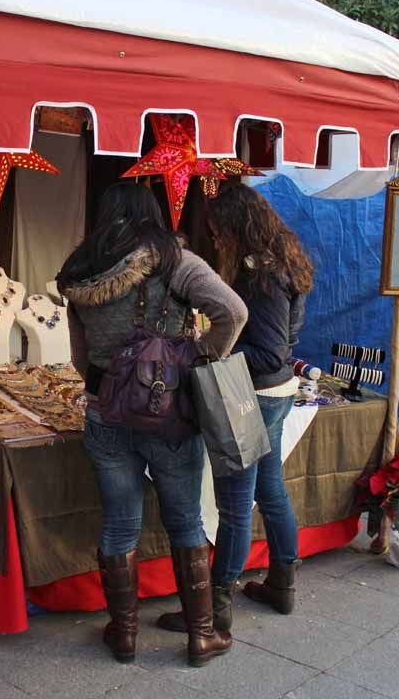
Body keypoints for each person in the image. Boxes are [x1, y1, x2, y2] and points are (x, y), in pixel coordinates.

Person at [57, 182, 247, 667]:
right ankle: (201, 636)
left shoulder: (78, 270)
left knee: (120, 522)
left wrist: (112, 382)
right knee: (184, 519)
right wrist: (199, 356)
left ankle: (124, 635)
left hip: (105, 410)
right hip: (169, 413)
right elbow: (233, 312)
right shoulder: (173, 259)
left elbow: (80, 357)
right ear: (152, 214)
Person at [158, 183, 312, 635]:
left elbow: (267, 351)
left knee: (237, 505)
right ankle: (282, 582)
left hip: (255, 396)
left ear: (237, 225)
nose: (217, 239)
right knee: (272, 489)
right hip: (278, 391)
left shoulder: (258, 275)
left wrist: (211, 351)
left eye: (218, 230)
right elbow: (284, 345)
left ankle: (215, 600)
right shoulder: (286, 262)